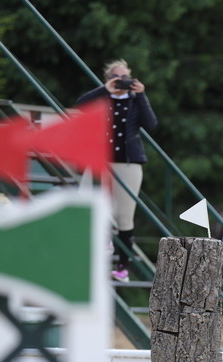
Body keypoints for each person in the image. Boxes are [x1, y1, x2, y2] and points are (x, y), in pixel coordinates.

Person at [76, 59, 158, 282]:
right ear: (108, 79)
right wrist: (105, 89)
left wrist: (141, 95)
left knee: (124, 216)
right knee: (88, 200)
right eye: (115, 77)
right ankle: (102, 241)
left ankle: (123, 266)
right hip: (100, 161)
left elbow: (151, 124)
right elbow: (79, 105)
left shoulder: (135, 100)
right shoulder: (101, 99)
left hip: (128, 163)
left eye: (124, 78)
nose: (120, 82)